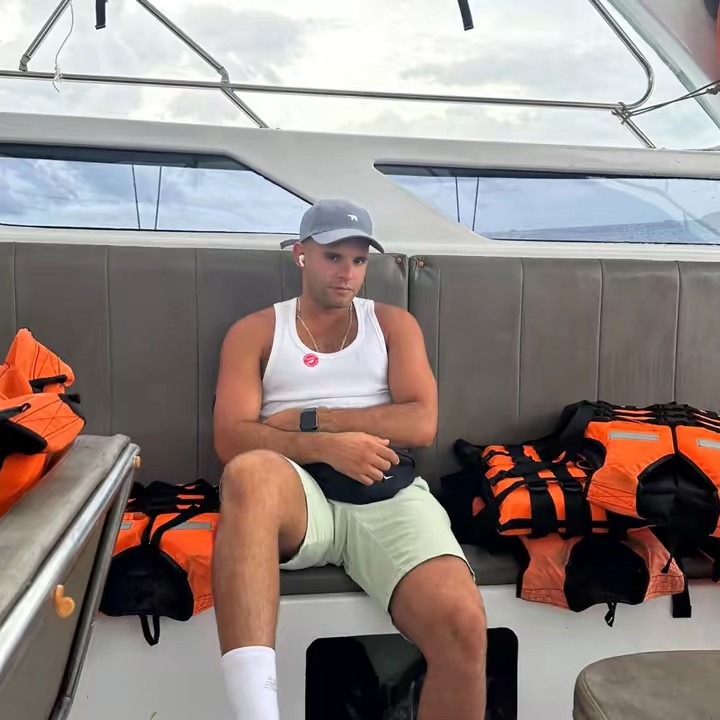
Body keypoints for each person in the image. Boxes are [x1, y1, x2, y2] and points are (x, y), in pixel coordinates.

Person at [212, 198, 487, 720]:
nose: (347, 273)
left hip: (385, 492)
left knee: (464, 627)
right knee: (248, 472)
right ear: (301, 255)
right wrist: (322, 447)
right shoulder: (256, 331)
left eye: (359, 260)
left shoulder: (393, 324)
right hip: (296, 495)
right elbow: (231, 438)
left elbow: (420, 423)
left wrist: (317, 420)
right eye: (333, 257)